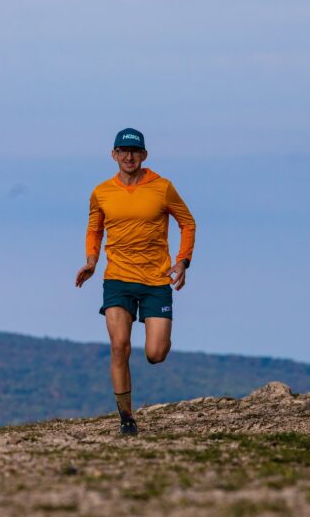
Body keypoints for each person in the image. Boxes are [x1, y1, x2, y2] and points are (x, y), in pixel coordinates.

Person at [74, 127, 196, 436]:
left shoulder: (162, 187)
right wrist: (91, 260)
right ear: (113, 155)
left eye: (134, 151)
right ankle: (127, 418)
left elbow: (188, 222)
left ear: (143, 155)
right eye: (122, 151)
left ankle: (157, 342)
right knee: (120, 346)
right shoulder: (101, 192)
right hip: (117, 279)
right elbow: (94, 228)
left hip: (156, 279)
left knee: (155, 354)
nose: (129, 157)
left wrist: (182, 261)